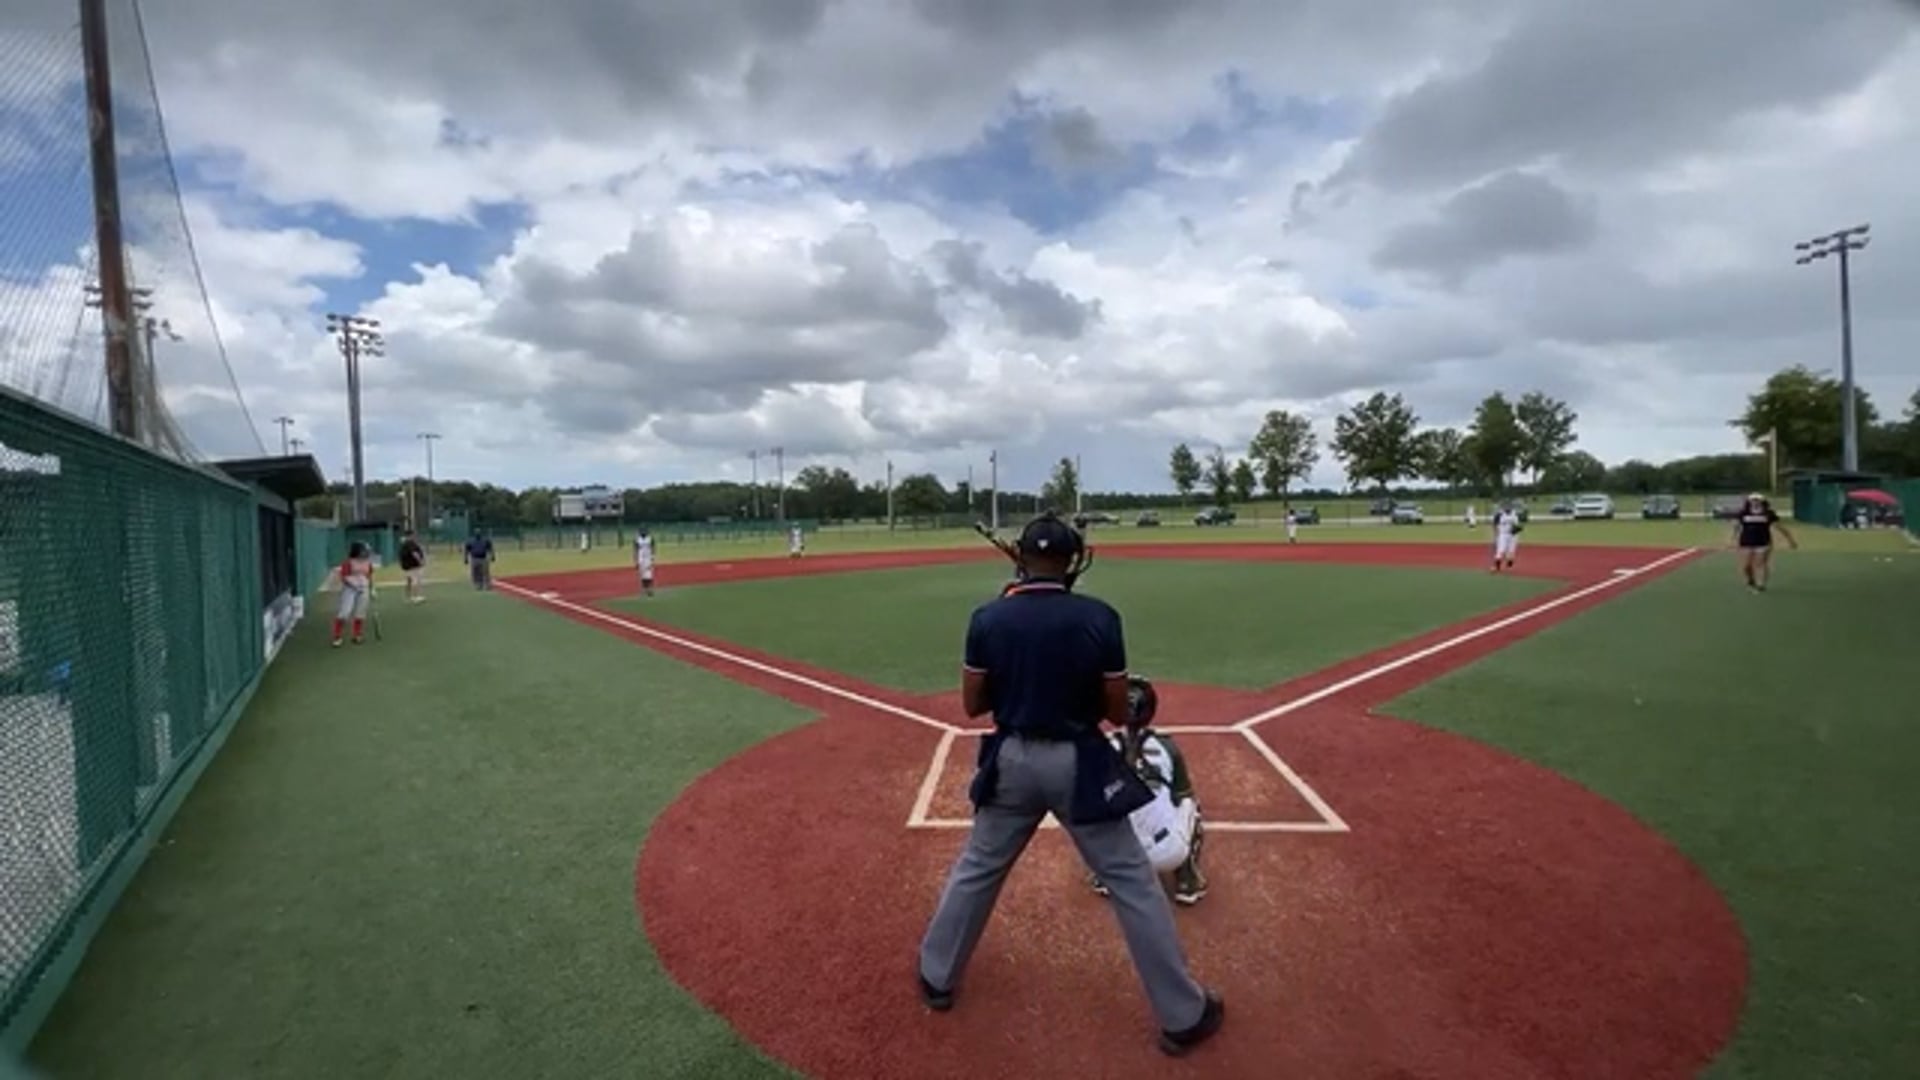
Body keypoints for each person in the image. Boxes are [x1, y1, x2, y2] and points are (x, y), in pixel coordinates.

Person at [916, 513, 1225, 1057]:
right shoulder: (1099, 617)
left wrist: (1017, 667)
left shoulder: (989, 617)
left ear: (1021, 558)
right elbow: (1115, 712)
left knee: (978, 865)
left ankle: (936, 975)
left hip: (1011, 759)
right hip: (1080, 763)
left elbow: (973, 705)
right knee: (1131, 881)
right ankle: (1182, 1014)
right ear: (1073, 561)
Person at [1089, 675, 1208, 906]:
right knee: (1190, 804)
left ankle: (1104, 876)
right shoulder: (1167, 746)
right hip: (1166, 855)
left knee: (1098, 805)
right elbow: (1182, 794)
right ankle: (1187, 881)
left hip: (1119, 857)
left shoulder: (1104, 746)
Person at [1732, 493, 1797, 592]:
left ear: (1762, 501)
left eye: (1757, 500)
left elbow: (1780, 527)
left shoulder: (1768, 514)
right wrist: (1733, 537)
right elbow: (1737, 526)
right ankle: (1751, 580)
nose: (1755, 502)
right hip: (1746, 542)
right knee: (1746, 566)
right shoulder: (1744, 513)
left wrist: (1790, 540)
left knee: (1761, 563)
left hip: (1763, 542)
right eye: (1753, 500)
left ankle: (1761, 584)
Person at [331, 541, 375, 647]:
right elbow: (344, 577)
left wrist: (372, 589)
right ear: (357, 551)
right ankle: (337, 636)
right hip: (350, 590)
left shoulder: (367, 562)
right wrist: (355, 586)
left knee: (360, 613)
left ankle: (357, 635)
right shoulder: (348, 562)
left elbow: (369, 576)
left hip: (364, 589)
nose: (366, 552)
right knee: (344, 613)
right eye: (363, 550)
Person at [1490, 502, 1523, 572]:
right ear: (1503, 507)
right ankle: (1497, 567)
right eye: (1506, 507)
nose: (1507, 508)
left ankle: (1509, 565)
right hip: (1503, 534)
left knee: (1511, 552)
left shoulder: (1515, 514)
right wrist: (1496, 533)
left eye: (1509, 507)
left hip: (1513, 535)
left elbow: (1518, 525)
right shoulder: (1499, 515)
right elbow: (1494, 524)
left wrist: (1517, 529)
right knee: (1500, 551)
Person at [398, 530, 427, 604]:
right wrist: (420, 561)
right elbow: (414, 553)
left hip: (406, 566)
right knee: (415, 580)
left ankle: (408, 597)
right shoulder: (410, 543)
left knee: (409, 581)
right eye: (414, 535)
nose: (415, 536)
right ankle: (415, 597)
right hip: (412, 565)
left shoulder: (404, 543)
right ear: (411, 535)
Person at [634, 528, 656, 597]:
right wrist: (636, 561)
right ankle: (644, 589)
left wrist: (653, 557)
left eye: (644, 532)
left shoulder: (650, 539)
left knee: (649, 574)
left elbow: (653, 548)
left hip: (648, 558)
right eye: (642, 532)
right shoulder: (637, 539)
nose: (643, 533)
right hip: (640, 558)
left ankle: (649, 589)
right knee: (642, 575)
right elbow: (636, 550)